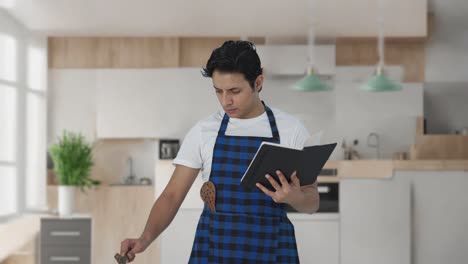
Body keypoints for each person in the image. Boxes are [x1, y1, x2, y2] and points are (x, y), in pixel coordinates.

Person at [120, 40, 320, 263]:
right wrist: (145, 238)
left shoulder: (291, 130)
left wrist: (295, 197)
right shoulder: (205, 131)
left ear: (258, 82)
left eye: (235, 91)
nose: (226, 101)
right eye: (218, 91)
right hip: (214, 249)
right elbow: (171, 195)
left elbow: (312, 201)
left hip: (272, 249)